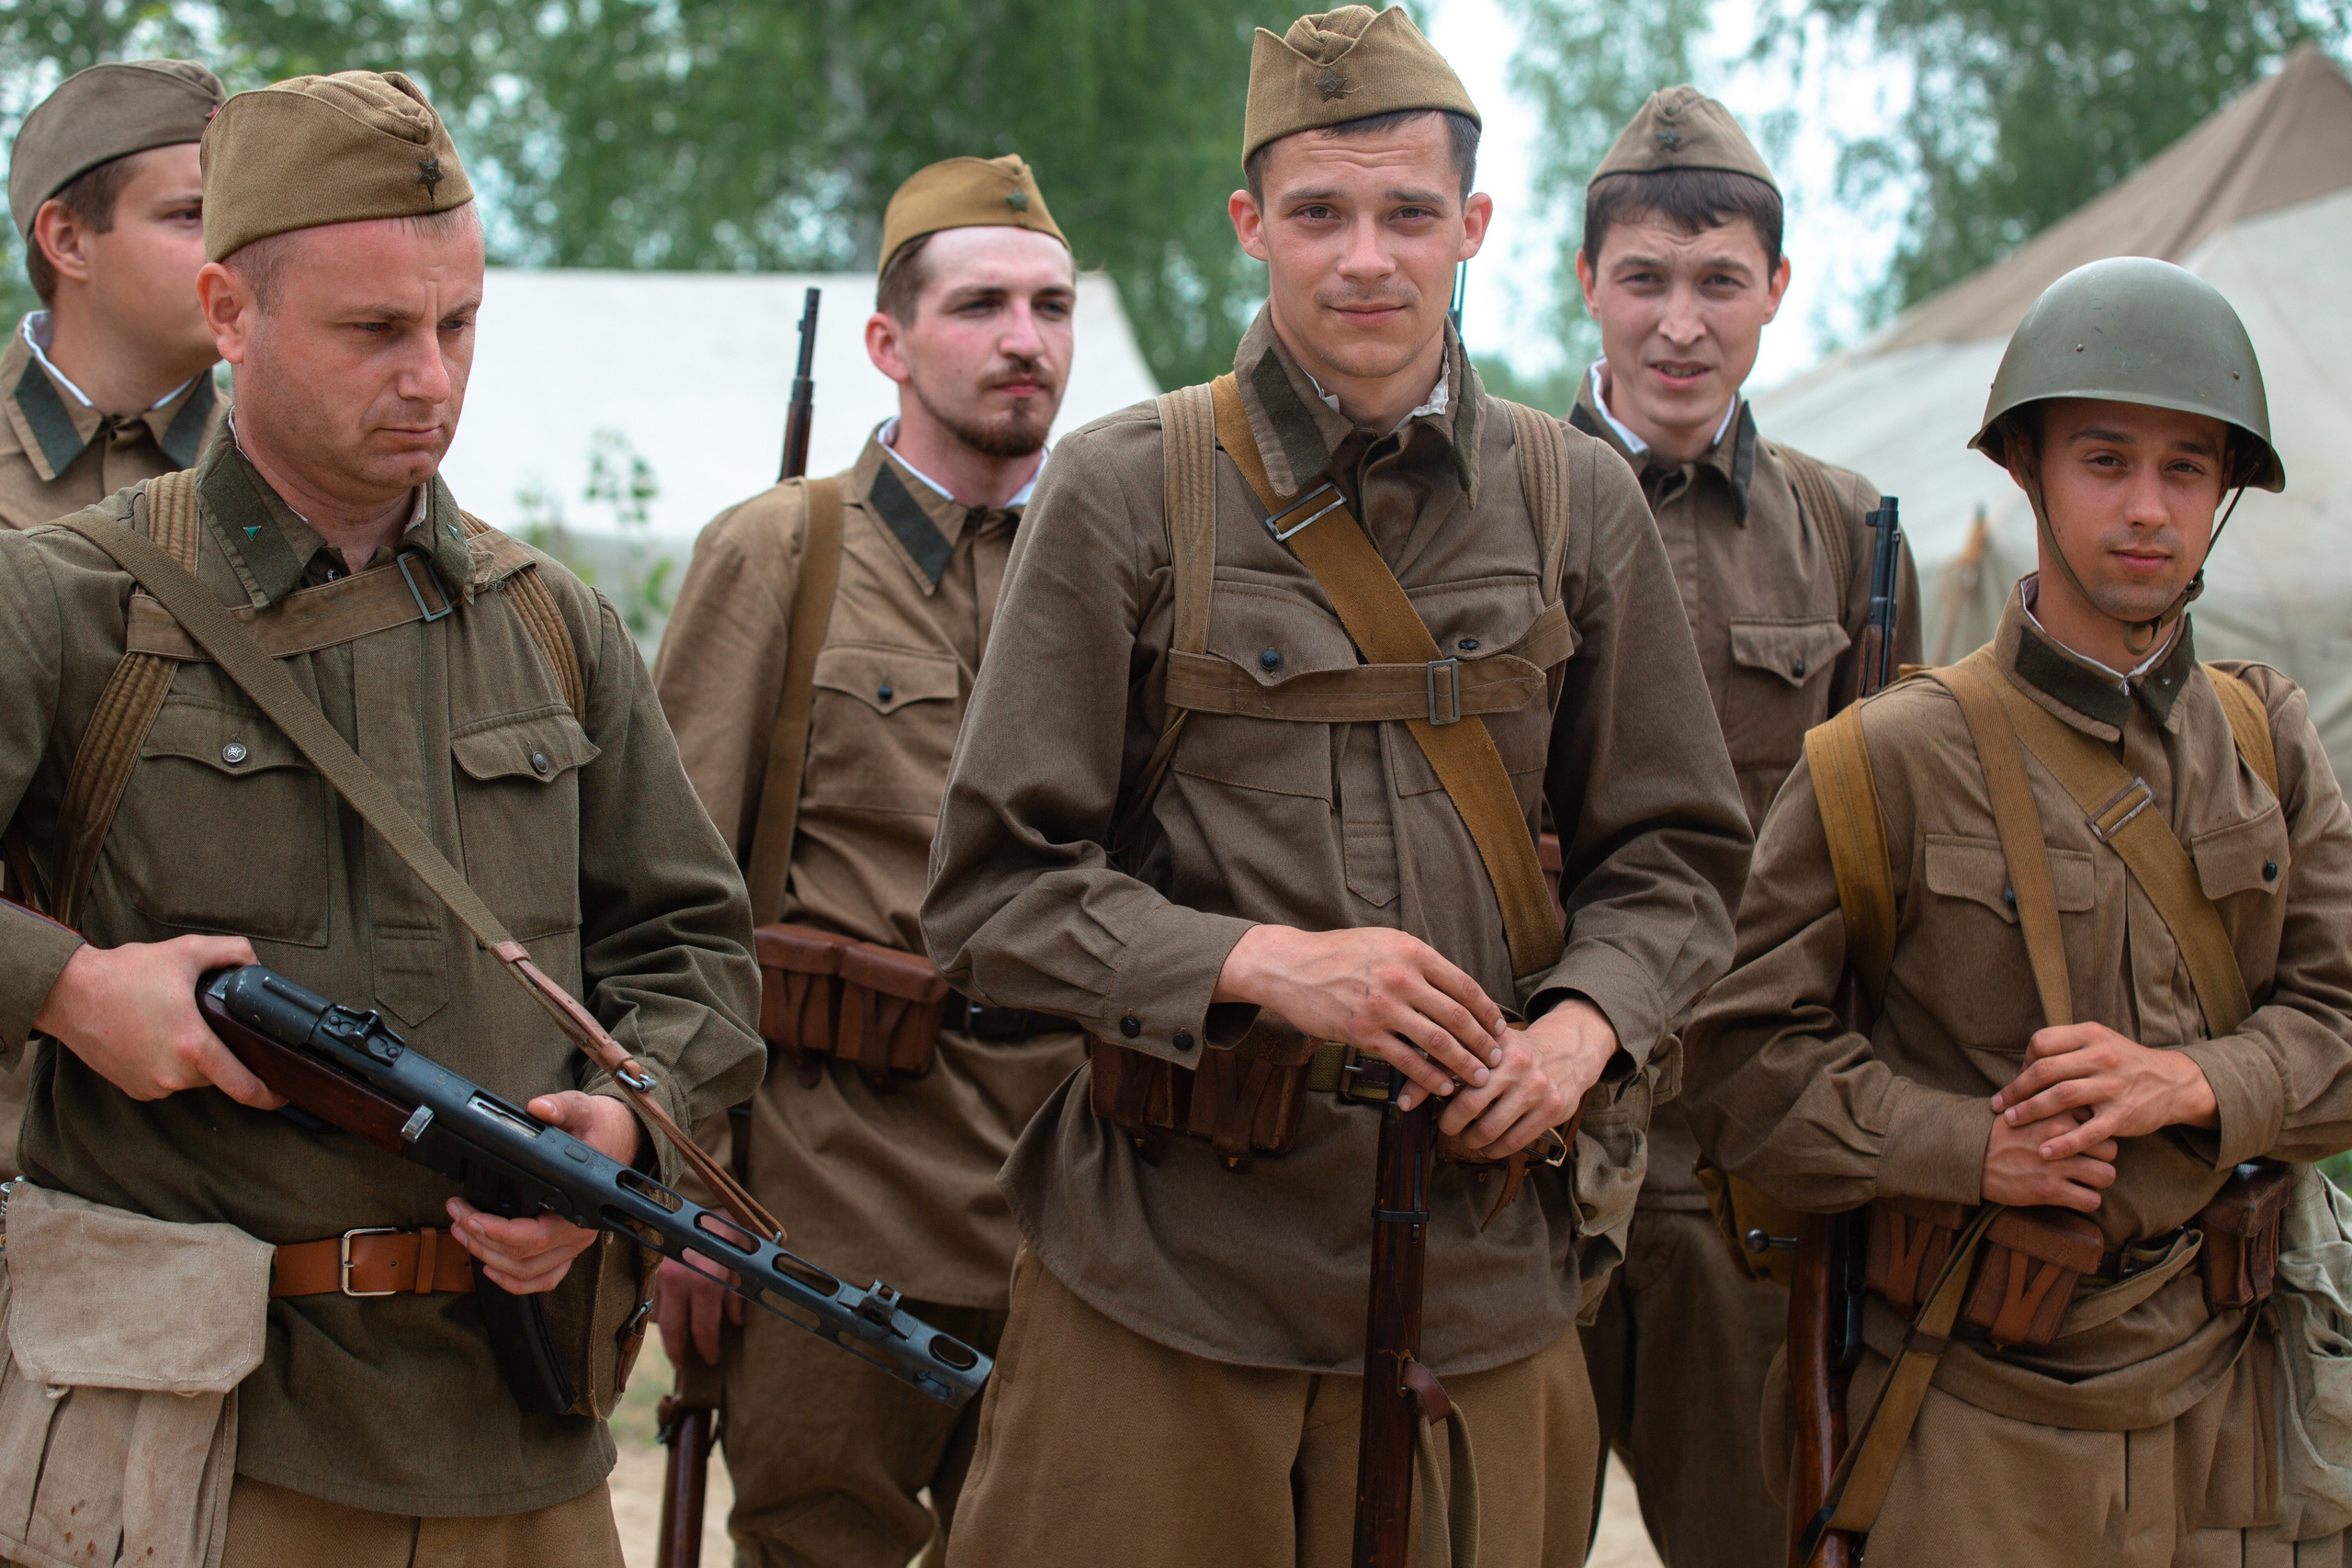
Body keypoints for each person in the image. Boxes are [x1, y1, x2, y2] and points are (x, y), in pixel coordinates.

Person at [919, 8, 1751, 1563]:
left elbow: (1682, 858)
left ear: (1474, 228)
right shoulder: (1123, 490)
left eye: (1408, 214)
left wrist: (1582, 1032)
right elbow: (987, 898)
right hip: (1165, 1275)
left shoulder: (1578, 501)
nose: (1365, 257)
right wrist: (1257, 962)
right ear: (1252, 227)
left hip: (1478, 1277)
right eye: (1319, 213)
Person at [0, 70, 763, 1566]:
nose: (430, 375)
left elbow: (693, 948)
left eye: (459, 325)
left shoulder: (555, 626)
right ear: (228, 312)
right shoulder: (68, 601)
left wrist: (625, 1133)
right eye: (374, 330)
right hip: (201, 1434)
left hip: (519, 1431)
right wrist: (70, 989)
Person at [1684, 254, 2352, 1562]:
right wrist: (1963, 1145)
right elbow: (1738, 1071)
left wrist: (2193, 1081)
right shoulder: (1883, 757)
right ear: (2025, 466)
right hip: (1971, 1418)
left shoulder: (2267, 740)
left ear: (2224, 495)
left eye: (2187, 469)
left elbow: (2342, 1022)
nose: (2148, 507)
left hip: (2233, 1405)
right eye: (2105, 460)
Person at [649, 152, 1089, 1568]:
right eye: (980, 306)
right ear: (890, 344)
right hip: (831, 1198)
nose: (1023, 339)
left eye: (1050, 304)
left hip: (1067, 1197)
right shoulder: (782, 553)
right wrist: (686, 1193)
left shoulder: (1111, 570)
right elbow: (669, 891)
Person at [1567, 86, 1919, 1567]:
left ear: (1778, 290)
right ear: (1586, 282)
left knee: (1753, 1533)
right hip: (1518, 1140)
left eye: (1720, 283)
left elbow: (1903, 857)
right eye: (1643, 278)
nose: (1678, 325)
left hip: (1736, 1158)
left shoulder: (1848, 534)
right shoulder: (1495, 501)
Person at [2, 59, 227, 533]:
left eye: (236, 218)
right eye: (189, 215)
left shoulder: (301, 468)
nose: (232, 247)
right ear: (68, 240)